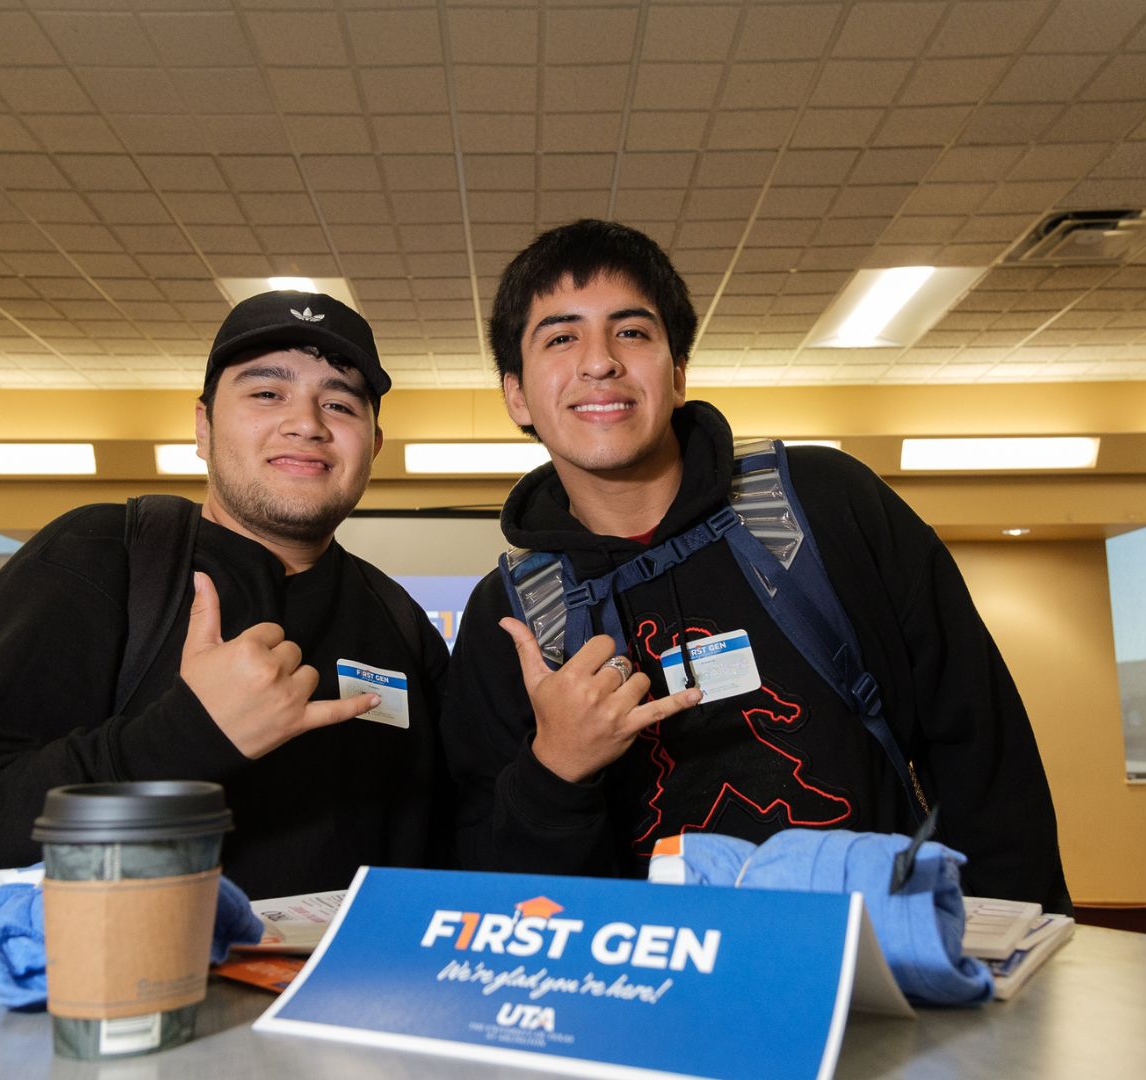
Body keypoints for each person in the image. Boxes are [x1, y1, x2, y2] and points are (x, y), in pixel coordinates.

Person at [441, 220, 1070, 910]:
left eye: (632, 332)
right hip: (648, 990)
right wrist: (554, 771)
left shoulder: (825, 506)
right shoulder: (509, 618)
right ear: (518, 396)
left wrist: (1007, 952)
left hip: (873, 970)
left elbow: (983, 752)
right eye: (561, 338)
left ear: (677, 375)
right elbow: (495, 885)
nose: (600, 362)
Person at [0, 290, 451, 941]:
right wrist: (180, 739)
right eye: (266, 394)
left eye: (339, 403)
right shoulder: (104, 561)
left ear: (373, 442)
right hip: (128, 1024)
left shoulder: (400, 621)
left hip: (346, 1024)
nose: (306, 423)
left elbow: (450, 849)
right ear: (202, 428)